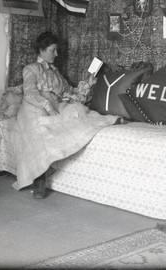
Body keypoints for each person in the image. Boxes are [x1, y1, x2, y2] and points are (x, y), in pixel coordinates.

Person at [8, 31, 120, 199]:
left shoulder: (56, 73)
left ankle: (110, 120)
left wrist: (88, 84)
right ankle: (39, 180)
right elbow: (30, 93)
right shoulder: (31, 69)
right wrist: (48, 107)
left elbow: (71, 94)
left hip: (55, 104)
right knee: (41, 131)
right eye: (53, 50)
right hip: (34, 106)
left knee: (78, 111)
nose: (57, 54)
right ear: (42, 50)